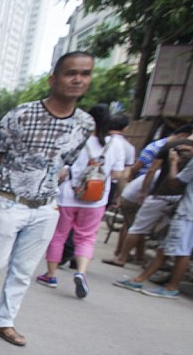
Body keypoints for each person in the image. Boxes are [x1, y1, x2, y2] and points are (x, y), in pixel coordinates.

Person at [0, 51, 95, 347]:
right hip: (9, 200)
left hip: (46, 207)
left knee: (23, 270)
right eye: (70, 73)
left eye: (85, 74)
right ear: (54, 79)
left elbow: (66, 161)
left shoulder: (85, 124)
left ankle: (4, 322)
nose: (77, 79)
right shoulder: (21, 115)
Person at [36, 104, 126, 298]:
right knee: (86, 237)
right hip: (96, 199)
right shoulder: (116, 144)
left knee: (59, 235)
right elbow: (118, 174)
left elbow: (60, 168)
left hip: (68, 195)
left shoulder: (76, 138)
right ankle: (81, 272)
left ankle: (51, 275)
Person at [115, 153, 193, 298]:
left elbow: (175, 182)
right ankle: (140, 279)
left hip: (189, 212)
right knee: (166, 248)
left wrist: (173, 162)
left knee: (181, 251)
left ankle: (171, 287)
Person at [103, 138, 193, 268]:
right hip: (180, 200)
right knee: (166, 238)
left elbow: (154, 171)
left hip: (163, 195)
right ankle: (141, 259)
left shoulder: (172, 148)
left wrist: (144, 191)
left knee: (138, 228)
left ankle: (122, 257)